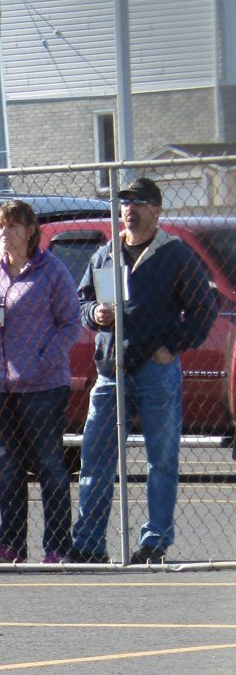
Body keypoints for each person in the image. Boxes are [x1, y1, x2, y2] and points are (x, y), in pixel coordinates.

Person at [70, 176, 219, 565]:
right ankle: (87, 545)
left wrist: (173, 346)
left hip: (156, 372)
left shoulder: (176, 255)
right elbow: (82, 301)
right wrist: (94, 314)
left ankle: (154, 543)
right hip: (110, 371)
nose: (129, 209)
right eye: (125, 202)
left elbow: (205, 308)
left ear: (157, 210)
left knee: (162, 459)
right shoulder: (105, 255)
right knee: (95, 458)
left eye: (138, 202)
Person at [0, 199, 82, 564]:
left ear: (31, 231)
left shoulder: (52, 271)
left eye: (13, 226)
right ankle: (11, 546)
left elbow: (71, 323)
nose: (5, 232)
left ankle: (56, 547)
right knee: (10, 466)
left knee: (50, 464)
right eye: (1, 226)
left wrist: (43, 360)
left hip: (42, 386)